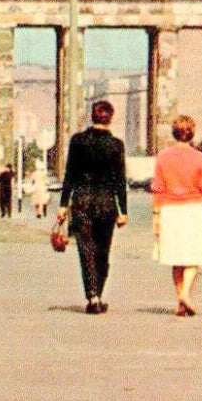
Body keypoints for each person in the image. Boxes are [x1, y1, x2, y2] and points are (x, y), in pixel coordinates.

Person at [55, 99, 128, 314]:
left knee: (85, 250)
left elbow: (70, 174)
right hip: (106, 204)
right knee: (103, 252)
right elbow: (119, 181)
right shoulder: (116, 145)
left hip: (82, 202)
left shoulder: (78, 141)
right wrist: (123, 211)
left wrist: (63, 204)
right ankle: (98, 295)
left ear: (92, 116)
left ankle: (93, 296)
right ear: (110, 118)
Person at [150, 115, 202, 316]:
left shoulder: (163, 157)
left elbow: (158, 188)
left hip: (170, 211)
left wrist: (156, 214)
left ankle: (180, 300)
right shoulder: (201, 159)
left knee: (176, 256)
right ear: (192, 134)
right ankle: (185, 294)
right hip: (193, 210)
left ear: (174, 133)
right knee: (192, 256)